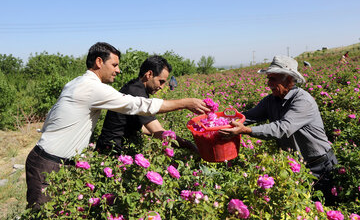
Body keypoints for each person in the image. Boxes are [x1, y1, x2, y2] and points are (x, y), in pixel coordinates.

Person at [25, 42, 209, 210]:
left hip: (55, 162)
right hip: (48, 164)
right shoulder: (92, 88)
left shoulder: (78, 82)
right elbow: (138, 106)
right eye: (114, 65)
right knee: (42, 213)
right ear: (99, 62)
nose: (118, 70)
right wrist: (186, 102)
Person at [219, 55, 337, 206]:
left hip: (320, 166)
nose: (269, 84)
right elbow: (248, 116)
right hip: (298, 167)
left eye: (273, 79)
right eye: (268, 79)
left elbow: (282, 128)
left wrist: (246, 130)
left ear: (288, 79)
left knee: (326, 206)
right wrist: (221, 121)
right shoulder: (271, 101)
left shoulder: (302, 100)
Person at [96, 56, 197, 154]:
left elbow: (142, 127)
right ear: (149, 74)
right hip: (111, 151)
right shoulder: (136, 92)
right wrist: (188, 145)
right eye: (160, 81)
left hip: (111, 147)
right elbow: (157, 131)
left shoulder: (135, 86)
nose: (162, 87)